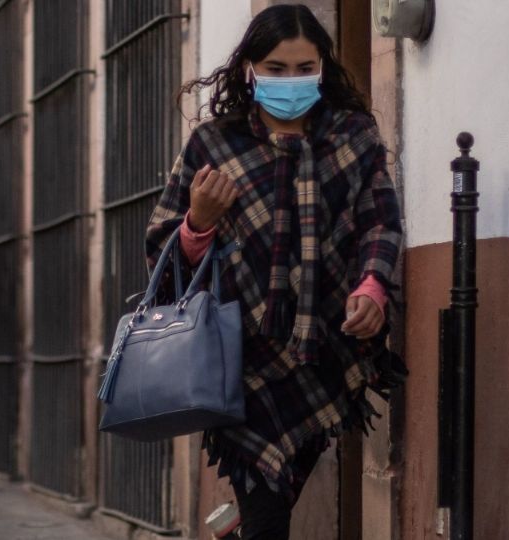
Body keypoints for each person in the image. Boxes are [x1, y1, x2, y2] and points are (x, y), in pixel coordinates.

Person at [145, 5, 405, 538]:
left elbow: (379, 221)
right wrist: (199, 222)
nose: (291, 81)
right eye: (276, 68)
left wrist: (373, 286)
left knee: (272, 501)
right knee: (267, 508)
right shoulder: (213, 144)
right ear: (249, 69)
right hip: (239, 360)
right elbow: (161, 249)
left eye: (304, 67)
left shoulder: (354, 137)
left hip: (328, 350)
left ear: (323, 68)